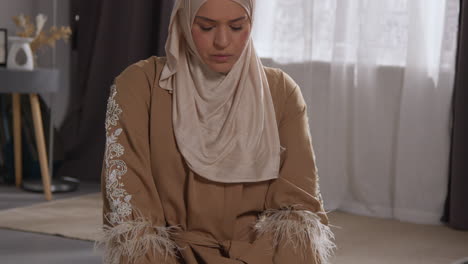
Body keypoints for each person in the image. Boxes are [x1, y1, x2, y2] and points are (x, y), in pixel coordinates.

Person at [98, 0, 335, 263]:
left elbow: (298, 210)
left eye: (236, 27)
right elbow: (133, 213)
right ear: (184, 23)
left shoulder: (281, 92)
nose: (222, 41)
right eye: (206, 27)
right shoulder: (140, 87)